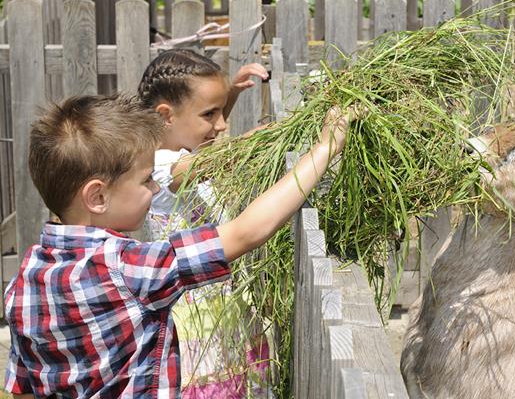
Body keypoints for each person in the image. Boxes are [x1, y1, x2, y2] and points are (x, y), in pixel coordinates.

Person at [5, 93, 353, 398]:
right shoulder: (128, 268)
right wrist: (324, 150)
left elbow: (23, 387)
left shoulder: (22, 284)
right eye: (146, 180)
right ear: (97, 196)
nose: (155, 189)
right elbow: (245, 232)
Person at [138, 49, 269, 397]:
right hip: (193, 317)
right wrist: (255, 142)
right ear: (165, 116)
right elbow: (203, 165)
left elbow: (201, 144)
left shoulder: (182, 146)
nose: (222, 125)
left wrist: (230, 96)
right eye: (210, 114)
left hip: (220, 302)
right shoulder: (157, 166)